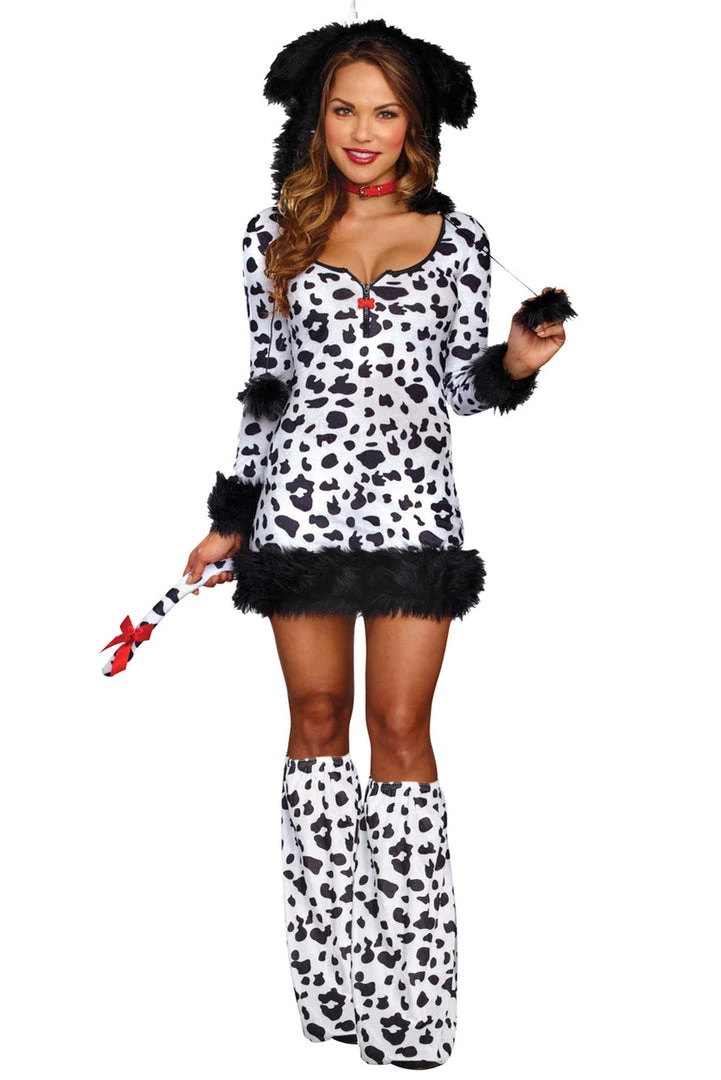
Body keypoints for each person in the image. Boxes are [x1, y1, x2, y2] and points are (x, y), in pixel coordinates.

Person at [183, 18, 568, 1070]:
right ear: (316, 117)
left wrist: (514, 363)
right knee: (316, 721)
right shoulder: (270, 235)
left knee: (400, 730)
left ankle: (411, 1004)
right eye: (343, 108)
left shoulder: (459, 237)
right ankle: (330, 988)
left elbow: (455, 387)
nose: (361, 131)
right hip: (299, 515)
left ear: (415, 125)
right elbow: (266, 387)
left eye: (384, 112)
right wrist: (229, 517)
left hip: (412, 515)